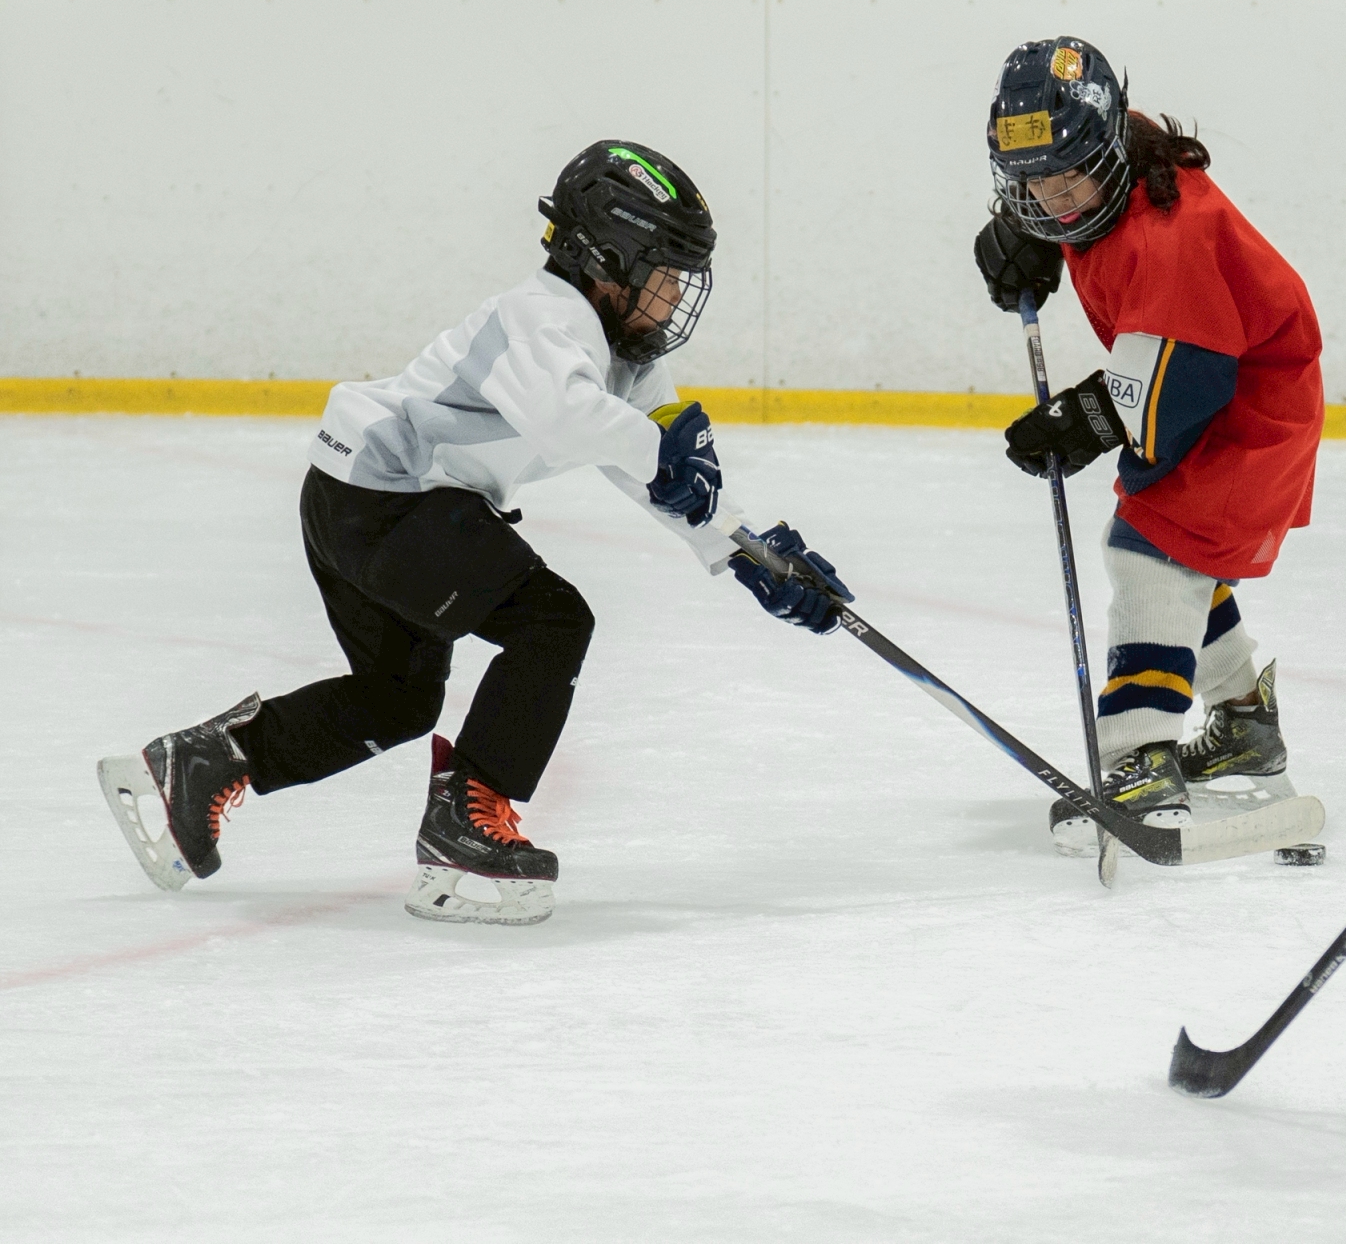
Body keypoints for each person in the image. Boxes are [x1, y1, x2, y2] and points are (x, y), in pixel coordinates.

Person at [96, 140, 851, 926]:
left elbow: (654, 473)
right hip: (386, 500)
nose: (673, 298)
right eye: (665, 274)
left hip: (359, 497)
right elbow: (573, 420)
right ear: (607, 259)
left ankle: (202, 763)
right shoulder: (543, 317)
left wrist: (751, 552)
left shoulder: (623, 355)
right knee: (552, 622)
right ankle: (465, 823)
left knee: (397, 698)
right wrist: (661, 453)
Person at [973, 37, 1325, 856]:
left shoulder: (1173, 232)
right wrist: (1034, 234)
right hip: (1223, 389)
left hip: (1248, 412)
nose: (1053, 198)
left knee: (1150, 551)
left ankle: (1141, 754)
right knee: (1175, 552)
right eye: (1031, 183)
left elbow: (1185, 372)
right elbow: (1071, 202)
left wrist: (1085, 420)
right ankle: (1244, 725)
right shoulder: (1111, 165)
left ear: (1102, 150)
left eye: (1066, 179)